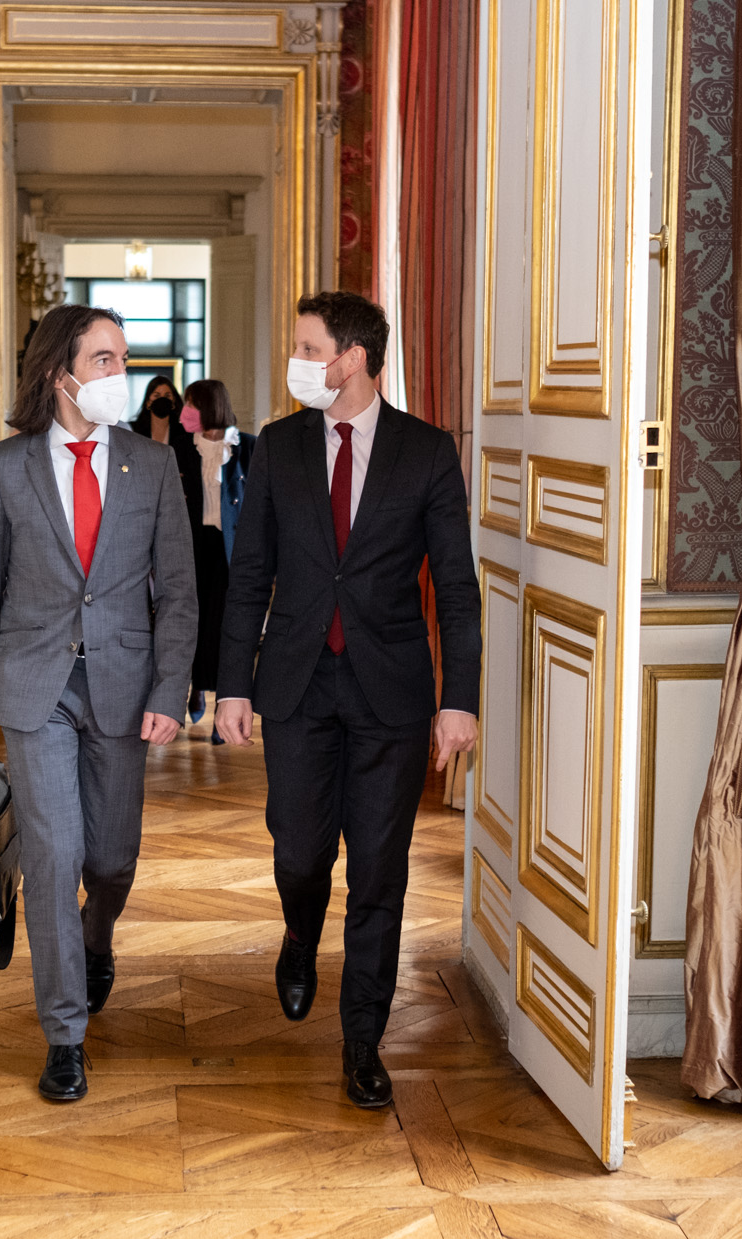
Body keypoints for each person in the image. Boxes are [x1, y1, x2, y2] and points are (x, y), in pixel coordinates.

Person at [215, 291, 480, 1109]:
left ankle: (362, 1037)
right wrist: (231, 683)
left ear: (354, 357)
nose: (298, 360)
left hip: (390, 693)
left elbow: (459, 590)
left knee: (378, 871)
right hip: (295, 682)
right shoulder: (281, 448)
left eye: (308, 346)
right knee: (299, 850)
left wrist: (458, 699)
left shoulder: (428, 453)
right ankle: (300, 931)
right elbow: (249, 571)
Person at [0, 304, 198, 1103]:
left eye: (123, 359)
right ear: (63, 374)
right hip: (36, 691)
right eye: (105, 360)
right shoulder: (4, 468)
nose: (119, 374)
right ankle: (65, 1034)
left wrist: (171, 690)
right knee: (56, 859)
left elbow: (181, 595)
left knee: (112, 860)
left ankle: (98, 937)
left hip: (126, 691)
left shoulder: (152, 466)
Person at [172, 379, 255, 734]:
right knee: (192, 621)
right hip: (191, 547)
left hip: (230, 549)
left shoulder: (248, 447)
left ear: (209, 406)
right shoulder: (178, 448)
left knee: (224, 625)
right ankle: (195, 688)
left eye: (190, 404)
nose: (184, 412)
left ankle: (225, 700)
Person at [130, 374, 187, 447]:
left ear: (173, 403)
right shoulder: (133, 430)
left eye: (167, 396)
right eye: (157, 396)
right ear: (148, 403)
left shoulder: (184, 433)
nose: (162, 400)